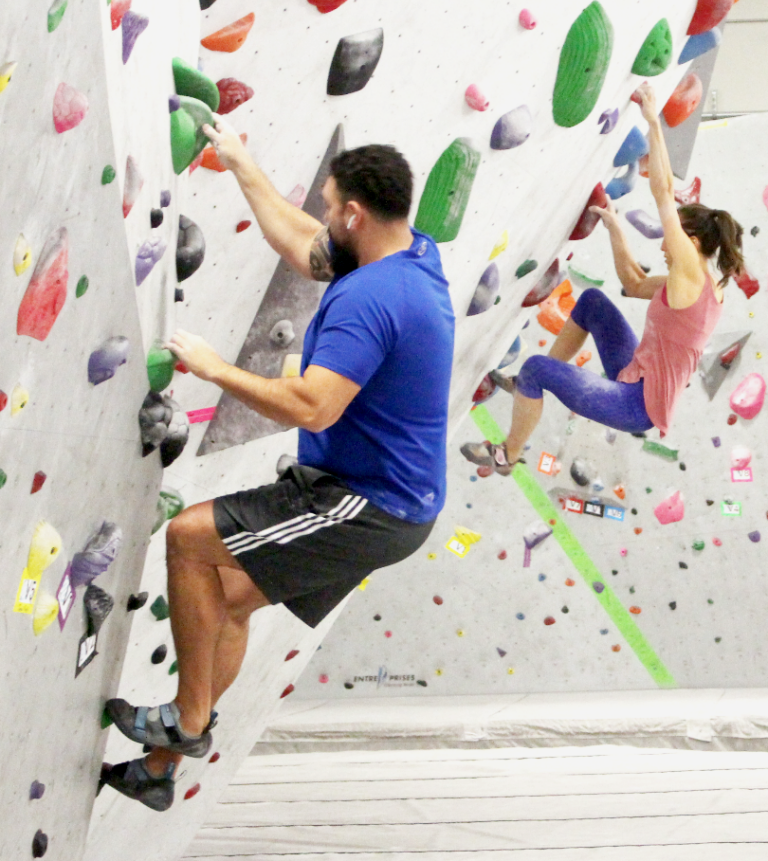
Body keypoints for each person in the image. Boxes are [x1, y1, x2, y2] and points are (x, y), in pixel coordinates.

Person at [101, 116, 455, 810]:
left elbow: (311, 406)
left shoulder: (373, 299)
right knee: (227, 602)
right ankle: (159, 770)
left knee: (188, 539)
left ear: (355, 213)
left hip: (367, 502)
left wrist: (214, 368)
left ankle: (188, 720)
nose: (323, 217)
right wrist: (241, 164)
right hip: (386, 498)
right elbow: (304, 246)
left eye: (330, 206)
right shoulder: (405, 254)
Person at [462, 82, 744, 475]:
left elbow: (664, 192)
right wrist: (614, 227)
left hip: (636, 405)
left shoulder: (690, 272)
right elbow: (633, 283)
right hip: (636, 372)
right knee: (593, 302)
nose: (665, 242)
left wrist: (653, 123)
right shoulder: (692, 287)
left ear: (691, 242)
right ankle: (530, 387)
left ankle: (506, 454)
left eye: (674, 236)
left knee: (535, 371)